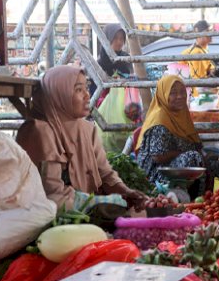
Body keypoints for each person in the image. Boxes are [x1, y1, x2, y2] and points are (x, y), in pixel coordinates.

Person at [16, 65, 147, 212]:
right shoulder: (39, 131)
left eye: (86, 88)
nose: (87, 95)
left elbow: (105, 174)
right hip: (51, 216)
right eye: (78, 90)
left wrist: (125, 192)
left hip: (86, 211)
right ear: (59, 95)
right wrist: (98, 202)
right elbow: (52, 193)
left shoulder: (87, 129)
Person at [135, 74, 215, 196]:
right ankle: (185, 197)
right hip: (156, 174)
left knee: (216, 164)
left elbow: (196, 145)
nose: (180, 96)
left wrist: (205, 156)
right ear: (163, 95)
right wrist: (184, 152)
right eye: (173, 93)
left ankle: (202, 198)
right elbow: (158, 156)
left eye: (183, 92)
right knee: (192, 157)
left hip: (173, 166)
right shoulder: (160, 118)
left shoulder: (182, 114)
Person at [180, 20, 218, 97]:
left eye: (211, 30)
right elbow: (199, 82)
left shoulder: (202, 50)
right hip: (198, 98)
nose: (211, 34)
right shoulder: (197, 53)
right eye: (208, 31)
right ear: (199, 35)